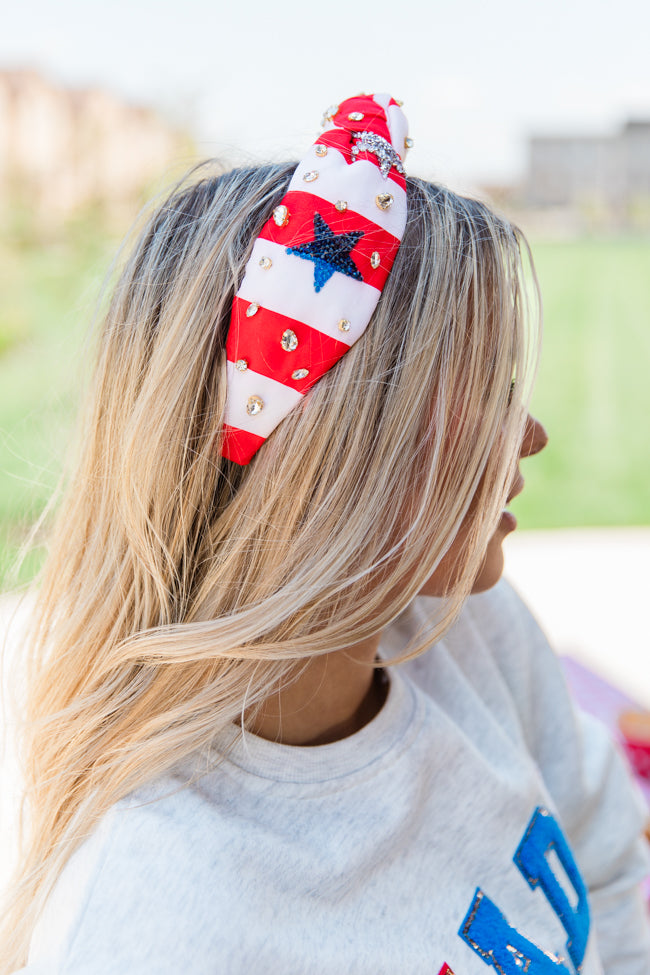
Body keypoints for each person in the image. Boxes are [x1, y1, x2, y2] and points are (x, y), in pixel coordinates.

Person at [1, 93, 648, 974]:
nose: (528, 431)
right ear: (339, 459)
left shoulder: (460, 625)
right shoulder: (154, 921)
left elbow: (608, 855)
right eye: (489, 390)